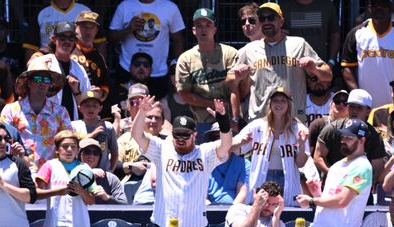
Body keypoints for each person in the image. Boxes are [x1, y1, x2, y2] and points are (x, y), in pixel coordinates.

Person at [132, 95, 232, 227]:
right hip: (165, 225)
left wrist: (223, 121)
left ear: (194, 135)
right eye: (177, 134)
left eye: (185, 134)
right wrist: (142, 112)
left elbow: (226, 145)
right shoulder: (162, 149)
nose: (180, 139)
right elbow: (137, 135)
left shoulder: (204, 153)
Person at [227, 2, 332, 125]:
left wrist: (315, 69)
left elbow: (328, 75)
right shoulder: (249, 49)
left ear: (281, 21)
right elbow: (229, 81)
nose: (266, 22)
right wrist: (237, 77)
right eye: (262, 19)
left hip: (293, 121)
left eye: (271, 18)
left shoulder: (299, 44)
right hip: (261, 121)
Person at [233, 86, 309, 206]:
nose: (279, 104)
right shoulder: (257, 126)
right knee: (260, 213)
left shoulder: (298, 129)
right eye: (275, 100)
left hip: (286, 179)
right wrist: (239, 142)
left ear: (289, 104)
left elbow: (301, 163)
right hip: (262, 177)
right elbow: (235, 150)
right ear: (270, 103)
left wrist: (302, 145)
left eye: (283, 100)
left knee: (284, 213)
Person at [0, 55, 72, 174]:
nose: (42, 83)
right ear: (28, 83)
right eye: (38, 79)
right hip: (17, 171)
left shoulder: (60, 112)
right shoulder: (10, 110)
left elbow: (67, 142)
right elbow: (1, 140)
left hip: (50, 174)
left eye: (46, 80)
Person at [296, 118, 373, 227]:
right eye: (343, 136)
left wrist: (311, 201)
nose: (343, 140)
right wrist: (318, 194)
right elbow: (332, 200)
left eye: (349, 138)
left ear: (362, 140)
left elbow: (342, 201)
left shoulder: (362, 166)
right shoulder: (337, 165)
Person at [175, 8, 239, 139]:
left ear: (215, 29)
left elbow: (237, 88)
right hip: (202, 122)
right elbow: (184, 94)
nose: (203, 29)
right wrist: (211, 104)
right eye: (199, 26)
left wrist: (235, 119)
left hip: (230, 120)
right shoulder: (185, 59)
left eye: (208, 25)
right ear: (194, 30)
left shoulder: (229, 54)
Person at [109, 0, 185, 100]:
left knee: (156, 112)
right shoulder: (125, 6)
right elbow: (111, 39)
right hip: (127, 69)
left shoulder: (170, 7)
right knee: (124, 110)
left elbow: (178, 40)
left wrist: (179, 70)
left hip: (158, 72)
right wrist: (128, 29)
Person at [314, 89, 386, 191]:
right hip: (331, 189)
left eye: (359, 107)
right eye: (351, 106)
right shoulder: (332, 129)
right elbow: (318, 157)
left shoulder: (374, 136)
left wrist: (355, 185)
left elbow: (376, 169)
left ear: (368, 111)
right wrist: (333, 175)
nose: (354, 110)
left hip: (359, 191)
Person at [37, 129, 96, 227]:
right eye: (65, 146)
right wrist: (58, 191)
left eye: (73, 147)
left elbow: (91, 201)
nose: (69, 149)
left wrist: (81, 191)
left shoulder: (85, 168)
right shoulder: (49, 166)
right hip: (55, 225)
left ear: (77, 150)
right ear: (57, 149)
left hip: (80, 225)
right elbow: (36, 193)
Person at [341, 0, 394, 109]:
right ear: (369, 8)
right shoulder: (357, 33)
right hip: (366, 108)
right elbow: (347, 67)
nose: (379, 8)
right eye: (374, 5)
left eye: (383, 5)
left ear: (391, 8)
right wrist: (359, 97)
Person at [41, 22, 92, 122]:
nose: (67, 42)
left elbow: (87, 103)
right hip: (45, 123)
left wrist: (76, 91)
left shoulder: (79, 69)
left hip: (72, 125)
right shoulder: (43, 63)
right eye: (62, 38)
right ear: (54, 39)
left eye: (71, 39)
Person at [23, 0, 94, 62]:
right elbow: (30, 47)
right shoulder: (41, 12)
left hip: (81, 62)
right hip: (48, 64)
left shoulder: (85, 10)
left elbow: (100, 42)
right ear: (53, 38)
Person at [279, 0, 340, 68]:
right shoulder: (283, 7)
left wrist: (331, 62)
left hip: (320, 66)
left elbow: (335, 35)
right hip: (292, 66)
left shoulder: (326, 5)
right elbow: (271, 34)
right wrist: (277, 33)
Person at [71, 88, 117, 172]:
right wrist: (93, 134)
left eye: (94, 105)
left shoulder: (108, 127)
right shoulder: (74, 126)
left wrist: (110, 171)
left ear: (100, 108)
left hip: (103, 173)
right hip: (80, 173)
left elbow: (114, 152)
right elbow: (73, 148)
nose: (91, 109)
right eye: (87, 105)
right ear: (80, 108)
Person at [202, 123, 249, 205]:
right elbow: (201, 196)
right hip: (207, 209)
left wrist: (230, 213)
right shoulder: (202, 163)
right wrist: (212, 211)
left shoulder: (245, 164)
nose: (220, 141)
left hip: (234, 211)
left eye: (224, 138)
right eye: (216, 138)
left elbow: (242, 194)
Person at [78, 137, 127, 204]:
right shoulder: (70, 174)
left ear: (100, 157)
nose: (91, 156)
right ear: (80, 155)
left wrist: (107, 197)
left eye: (95, 153)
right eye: (87, 152)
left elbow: (124, 205)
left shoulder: (111, 178)